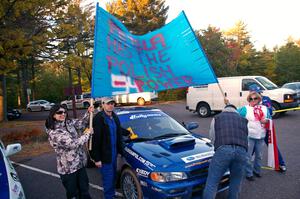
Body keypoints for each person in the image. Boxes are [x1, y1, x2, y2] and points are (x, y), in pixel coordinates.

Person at [45, 104, 93, 199]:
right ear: (53, 115)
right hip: (68, 170)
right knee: (73, 195)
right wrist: (87, 134)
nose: (63, 114)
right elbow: (72, 144)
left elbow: (82, 123)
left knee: (85, 192)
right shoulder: (54, 132)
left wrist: (89, 112)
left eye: (64, 112)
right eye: (59, 112)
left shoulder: (69, 122)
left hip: (80, 165)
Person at [203, 104, 248, 199]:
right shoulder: (243, 120)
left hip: (223, 150)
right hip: (242, 151)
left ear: (224, 110)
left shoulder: (217, 118)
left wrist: (217, 147)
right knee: (236, 181)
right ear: (236, 110)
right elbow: (246, 137)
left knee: (212, 182)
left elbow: (212, 137)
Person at [248, 84, 287, 172]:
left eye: (258, 93)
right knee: (252, 148)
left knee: (272, 145)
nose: (257, 95)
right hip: (256, 129)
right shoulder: (251, 101)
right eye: (254, 93)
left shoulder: (265, 99)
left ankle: (281, 164)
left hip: (267, 128)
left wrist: (260, 107)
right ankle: (246, 166)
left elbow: (269, 111)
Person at [91, 97, 123, 199]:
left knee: (113, 176)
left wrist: (129, 132)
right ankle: (109, 197)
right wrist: (97, 158)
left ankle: (112, 195)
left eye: (112, 103)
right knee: (108, 178)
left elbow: (118, 130)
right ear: (103, 105)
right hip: (105, 156)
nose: (111, 105)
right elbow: (95, 140)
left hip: (114, 153)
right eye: (108, 103)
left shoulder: (114, 116)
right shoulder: (99, 118)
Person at [237, 91, 270, 181]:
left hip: (261, 135)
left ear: (259, 99)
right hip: (249, 136)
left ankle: (257, 171)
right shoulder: (245, 109)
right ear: (248, 99)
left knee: (259, 155)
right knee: (248, 156)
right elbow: (234, 114)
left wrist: (266, 120)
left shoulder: (264, 108)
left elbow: (270, 118)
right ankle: (249, 173)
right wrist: (228, 104)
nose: (253, 100)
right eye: (251, 98)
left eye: (255, 98)